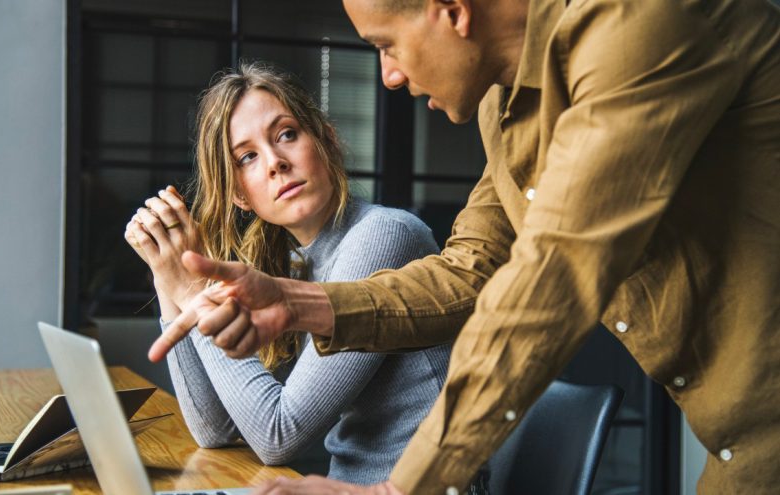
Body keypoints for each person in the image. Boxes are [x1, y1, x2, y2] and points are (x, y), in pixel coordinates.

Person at [150, 0, 780, 493]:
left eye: (386, 45)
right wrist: (294, 301)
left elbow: (554, 276)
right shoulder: (504, 109)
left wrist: (402, 488)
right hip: (740, 447)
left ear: (452, 10)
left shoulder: (638, 28)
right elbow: (468, 272)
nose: (389, 76)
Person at [125, 63, 483, 488]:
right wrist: (170, 281)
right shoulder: (299, 263)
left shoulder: (384, 235)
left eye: (287, 134)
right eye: (248, 157)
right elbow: (214, 430)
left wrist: (193, 290)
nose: (275, 162)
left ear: (327, 140)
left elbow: (278, 435)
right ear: (240, 194)